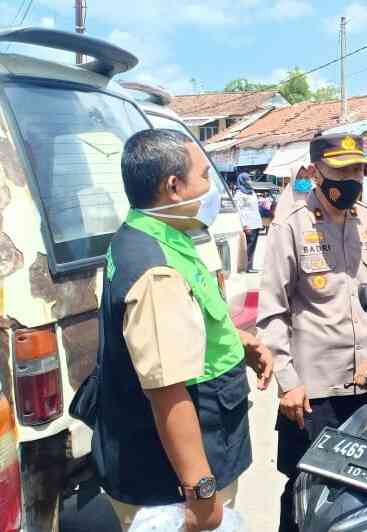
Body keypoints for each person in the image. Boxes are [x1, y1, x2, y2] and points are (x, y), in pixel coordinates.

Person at [93, 129, 273, 532]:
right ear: (173, 187)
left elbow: (185, 325)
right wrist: (202, 493)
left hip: (192, 455)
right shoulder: (156, 270)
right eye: (204, 177)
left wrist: (238, 342)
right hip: (173, 483)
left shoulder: (156, 234)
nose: (211, 189)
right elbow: (167, 391)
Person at [256, 133, 367, 532]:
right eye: (342, 171)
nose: (353, 180)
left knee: (358, 490)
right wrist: (288, 382)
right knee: (304, 491)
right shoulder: (291, 227)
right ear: (316, 173)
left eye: (359, 171)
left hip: (364, 385)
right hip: (312, 394)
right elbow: (272, 312)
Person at [234, 172, 263, 272]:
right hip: (248, 224)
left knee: (252, 246)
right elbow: (239, 211)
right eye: (247, 179)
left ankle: (250, 266)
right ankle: (246, 267)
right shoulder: (239, 194)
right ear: (242, 181)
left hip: (256, 223)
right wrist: (245, 225)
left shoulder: (252, 192)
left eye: (249, 179)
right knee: (248, 246)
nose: (249, 181)